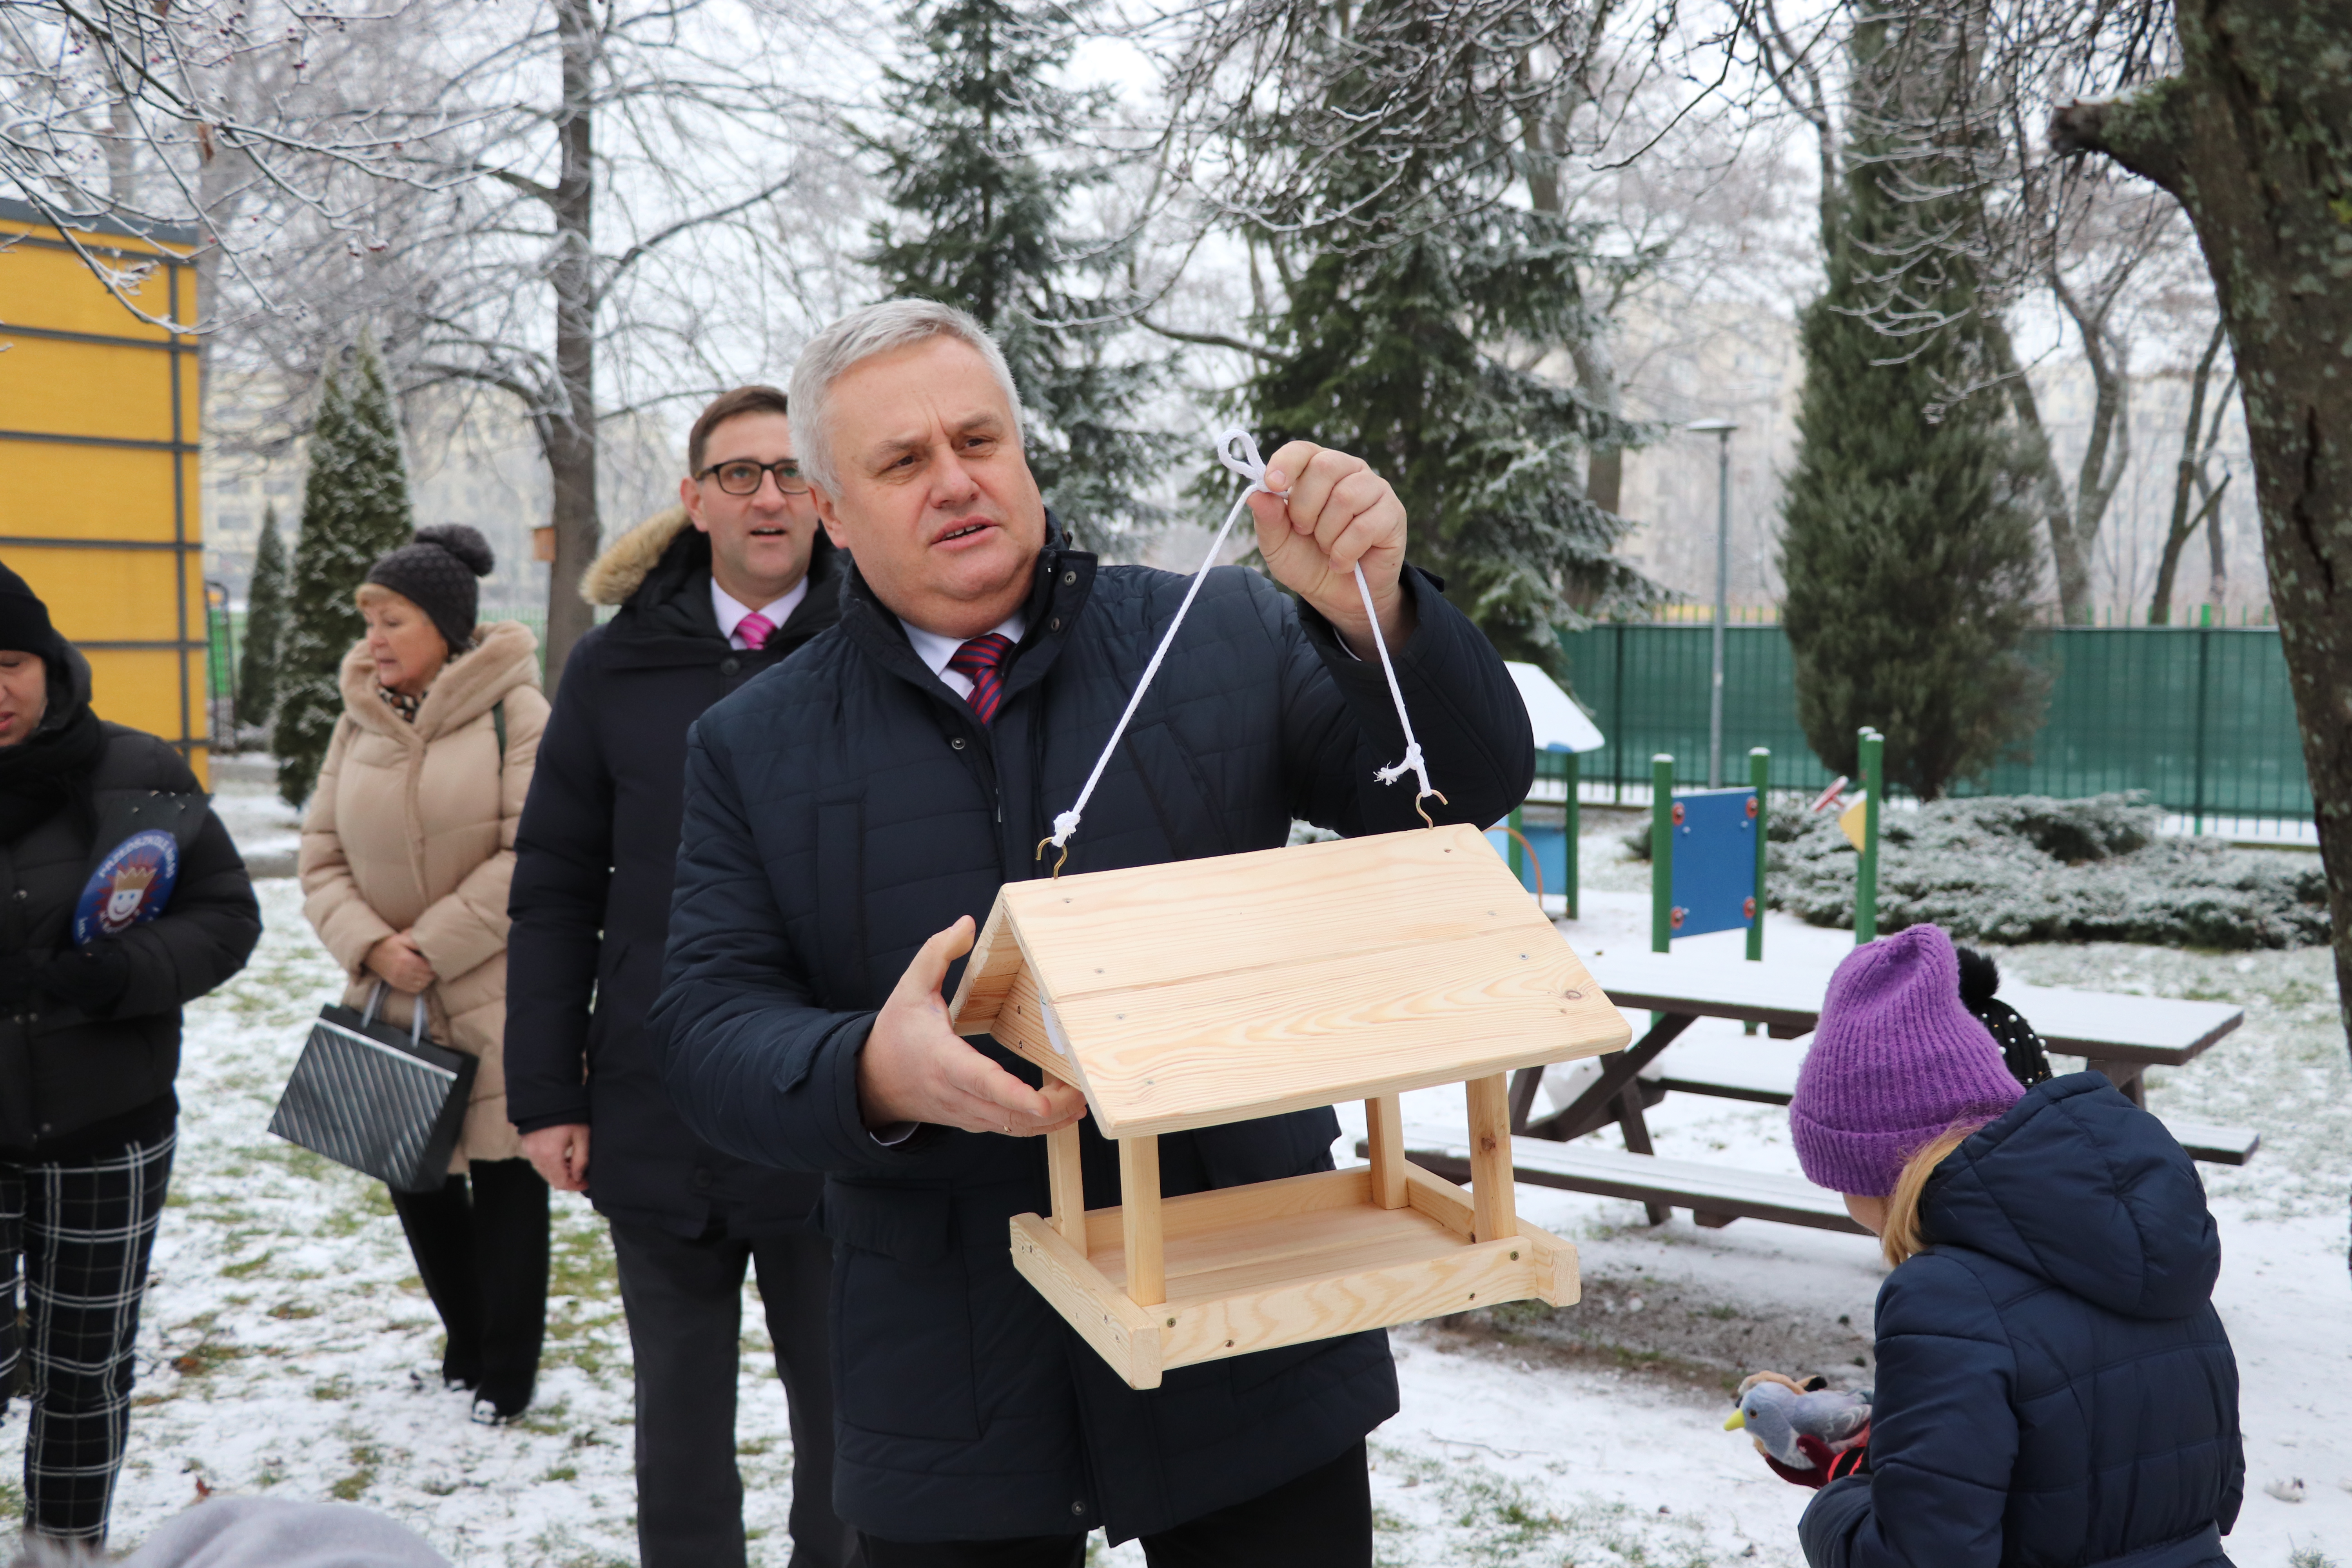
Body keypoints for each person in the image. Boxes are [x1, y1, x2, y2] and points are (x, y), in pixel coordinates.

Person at [650, 300, 1535, 1566]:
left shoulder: (1220, 634)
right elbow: (703, 1027)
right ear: (833, 509)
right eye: (903, 463)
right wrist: (871, 1069)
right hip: (949, 1359)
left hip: (1249, 1311)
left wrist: (1377, 613)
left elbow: (1464, 782)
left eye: (980, 440)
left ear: (1024, 451)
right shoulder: (755, 741)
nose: (956, 481)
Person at [506, 385, 857, 1568]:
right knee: (680, 1423)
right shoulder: (616, 667)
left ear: (824, 496)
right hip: (657, 1109)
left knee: (851, 1425)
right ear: (693, 500)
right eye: (740, 474)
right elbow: (556, 880)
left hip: (836, 1104)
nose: (768, 496)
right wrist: (550, 1091)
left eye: (790, 472)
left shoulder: (877, 647)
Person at [1780, 923, 2243, 1568]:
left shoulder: (1940, 1299)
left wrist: (1842, 1494)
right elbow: (2214, 1492)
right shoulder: (2155, 1250)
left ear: (1876, 1168)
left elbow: (1920, 1559)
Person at [0, 562, 261, 1546]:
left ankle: (61, 1552)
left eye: (11, 660)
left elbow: (226, 914)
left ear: (49, 662)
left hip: (109, 1126)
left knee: (82, 1370)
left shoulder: (140, 770)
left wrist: (125, 971)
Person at [297, 526, 552, 1425]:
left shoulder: (513, 710)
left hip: (495, 986)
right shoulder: (357, 714)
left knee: (507, 1174)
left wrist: (432, 942)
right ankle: (465, 1342)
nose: (373, 636)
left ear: (446, 625)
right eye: (368, 617)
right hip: (389, 993)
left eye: (391, 617)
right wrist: (372, 945)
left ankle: (508, 1370)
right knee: (414, 1172)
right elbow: (319, 853)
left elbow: (537, 849)